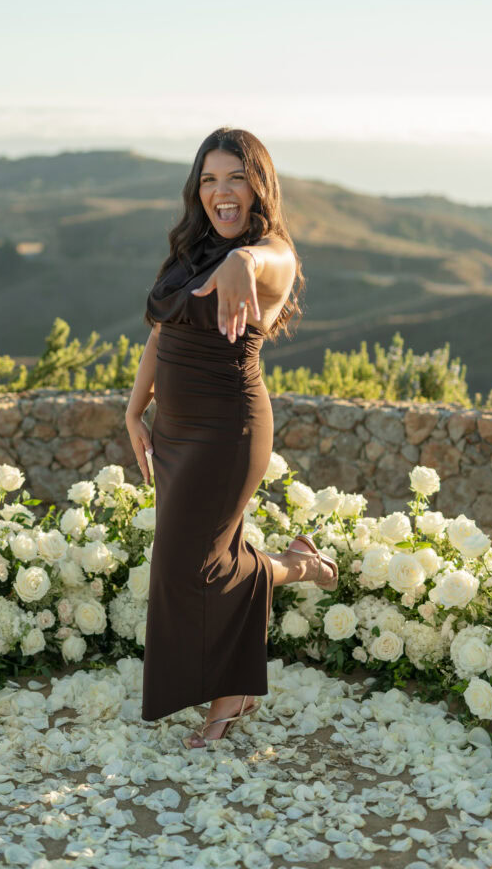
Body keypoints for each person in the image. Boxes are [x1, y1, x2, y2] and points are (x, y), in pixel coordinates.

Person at [125, 127, 338, 750]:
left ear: (258, 188)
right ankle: (301, 564)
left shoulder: (270, 254)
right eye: (210, 179)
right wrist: (135, 409)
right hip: (175, 428)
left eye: (236, 178)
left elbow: (273, 260)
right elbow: (163, 333)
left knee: (185, 567)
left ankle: (238, 681)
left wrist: (245, 261)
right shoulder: (190, 253)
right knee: (203, 563)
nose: (222, 191)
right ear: (198, 188)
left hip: (228, 430)